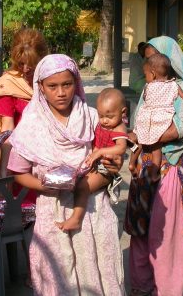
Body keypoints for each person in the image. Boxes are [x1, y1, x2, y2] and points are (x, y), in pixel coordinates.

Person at [7, 54, 125, 295]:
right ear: (40, 87)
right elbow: (19, 173)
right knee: (59, 279)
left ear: (76, 83)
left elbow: (112, 159)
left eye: (67, 84)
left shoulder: (93, 118)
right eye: (52, 86)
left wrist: (108, 171)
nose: (61, 92)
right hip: (53, 212)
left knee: (98, 274)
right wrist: (45, 187)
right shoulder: (30, 126)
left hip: (94, 210)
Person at [124, 36, 183, 296]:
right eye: (146, 58)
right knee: (140, 228)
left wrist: (143, 137)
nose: (148, 63)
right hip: (144, 166)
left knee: (165, 234)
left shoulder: (179, 89)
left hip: (169, 168)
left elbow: (178, 131)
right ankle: (141, 285)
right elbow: (141, 120)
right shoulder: (150, 88)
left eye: (152, 57)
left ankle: (166, 289)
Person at [55, 87, 129, 232]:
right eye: (101, 116)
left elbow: (121, 148)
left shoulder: (119, 129)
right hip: (96, 163)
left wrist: (99, 152)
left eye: (109, 116)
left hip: (106, 169)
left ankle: (76, 218)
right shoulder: (103, 124)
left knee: (83, 187)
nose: (104, 121)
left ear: (123, 112)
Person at [0, 28, 49, 183]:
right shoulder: (8, 85)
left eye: (32, 64)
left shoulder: (53, 81)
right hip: (18, 157)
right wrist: (4, 169)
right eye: (21, 64)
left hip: (48, 154)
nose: (26, 69)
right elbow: (7, 130)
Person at [130, 53, 183, 182]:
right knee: (156, 146)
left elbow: (145, 100)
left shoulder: (147, 87)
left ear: (153, 73)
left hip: (145, 118)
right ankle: (154, 171)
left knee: (140, 139)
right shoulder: (174, 85)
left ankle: (131, 162)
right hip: (161, 120)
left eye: (146, 75)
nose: (145, 78)